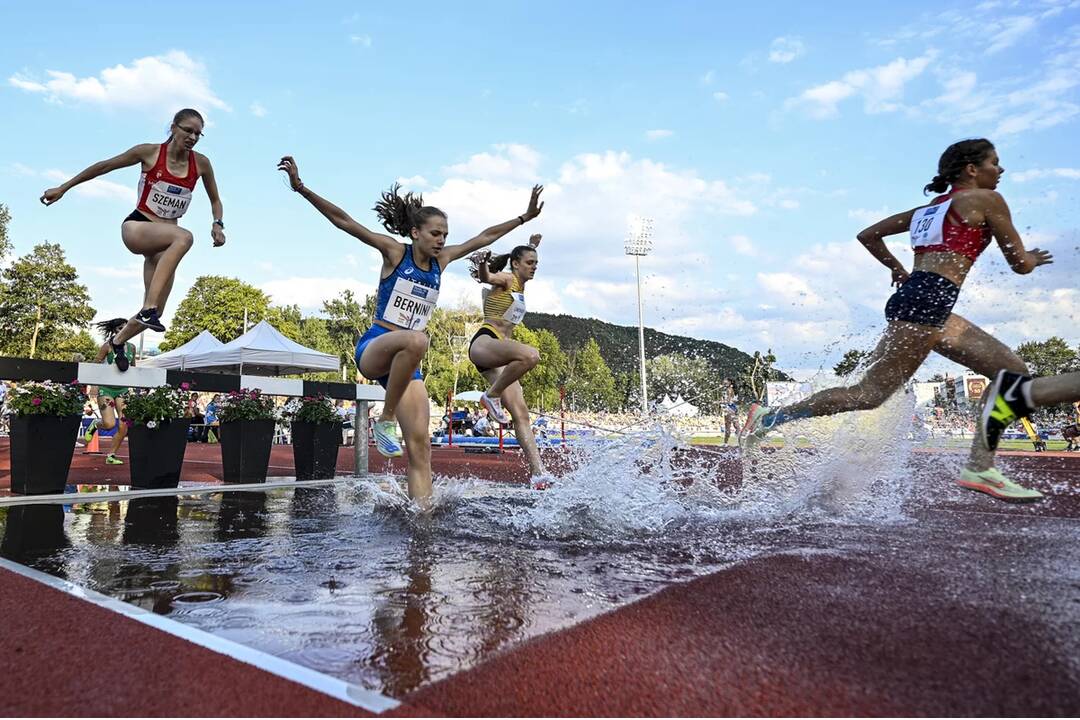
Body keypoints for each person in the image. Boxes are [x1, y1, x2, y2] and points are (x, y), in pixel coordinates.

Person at [741, 138, 1053, 502]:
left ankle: (982, 466)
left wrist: (899, 269)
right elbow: (1018, 263)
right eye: (994, 163)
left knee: (1011, 373)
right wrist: (1032, 256)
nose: (1000, 170)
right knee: (869, 395)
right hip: (928, 303)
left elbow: (868, 235)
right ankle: (769, 417)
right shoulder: (988, 199)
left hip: (921, 301)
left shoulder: (927, 210)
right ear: (972, 168)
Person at [278, 156, 543, 506]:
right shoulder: (393, 252)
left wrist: (524, 217)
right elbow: (346, 222)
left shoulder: (442, 262)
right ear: (415, 232)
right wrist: (301, 189)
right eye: (435, 233)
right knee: (417, 339)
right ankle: (384, 419)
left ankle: (422, 516)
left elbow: (485, 236)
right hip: (376, 348)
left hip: (408, 366)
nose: (441, 240)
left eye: (445, 235)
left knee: (420, 450)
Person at [41, 109, 226, 369]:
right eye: (188, 130)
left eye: (198, 133)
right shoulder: (149, 152)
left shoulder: (202, 163)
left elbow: (216, 199)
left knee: (157, 312)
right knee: (185, 238)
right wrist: (64, 187)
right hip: (139, 228)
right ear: (173, 128)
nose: (193, 137)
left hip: (163, 244)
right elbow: (104, 166)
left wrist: (218, 223)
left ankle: (116, 342)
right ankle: (147, 308)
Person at [467, 235, 547, 480]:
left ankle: (538, 475)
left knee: (521, 414)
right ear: (515, 264)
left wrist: (531, 246)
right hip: (486, 341)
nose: (534, 267)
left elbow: (521, 257)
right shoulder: (507, 279)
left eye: (536, 263)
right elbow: (487, 277)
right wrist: (482, 263)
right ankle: (491, 396)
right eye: (530, 262)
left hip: (499, 352)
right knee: (531, 355)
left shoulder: (520, 283)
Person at [84, 319, 136, 465]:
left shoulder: (132, 348)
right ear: (114, 331)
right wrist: (93, 385)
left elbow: (133, 369)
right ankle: (95, 424)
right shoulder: (107, 346)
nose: (124, 331)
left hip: (123, 389)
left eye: (126, 328)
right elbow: (96, 365)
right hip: (105, 388)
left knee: (124, 424)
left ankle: (111, 455)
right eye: (120, 328)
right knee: (109, 424)